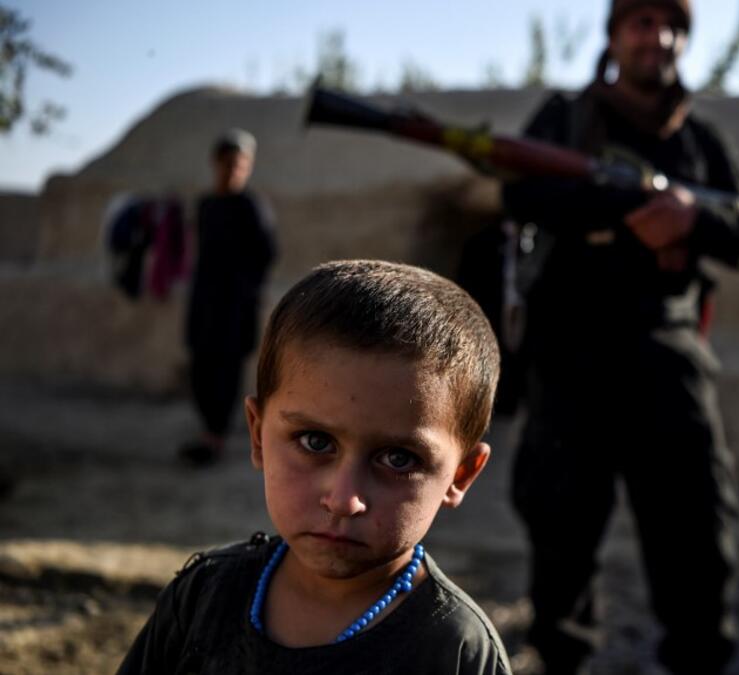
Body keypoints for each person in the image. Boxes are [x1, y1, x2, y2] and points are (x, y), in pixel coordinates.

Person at [501, 1, 739, 672]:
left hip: (665, 350)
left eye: (671, 26)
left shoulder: (698, 140)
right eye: (641, 22)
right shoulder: (565, 119)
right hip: (570, 351)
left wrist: (692, 221)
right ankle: (560, 651)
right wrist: (631, 211)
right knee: (560, 523)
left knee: (696, 527)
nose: (658, 38)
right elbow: (521, 192)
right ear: (614, 37)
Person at [118, 260, 511, 673]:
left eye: (399, 459)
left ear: (461, 474)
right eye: (315, 442)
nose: (344, 500)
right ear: (258, 436)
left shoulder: (457, 653)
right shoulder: (202, 599)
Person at [180, 129, 277, 466]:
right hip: (203, 304)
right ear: (215, 163)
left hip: (234, 309)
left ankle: (214, 439)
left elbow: (265, 256)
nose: (233, 170)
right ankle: (208, 431)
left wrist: (241, 293)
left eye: (240, 164)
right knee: (201, 371)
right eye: (228, 163)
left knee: (225, 373)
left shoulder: (252, 207)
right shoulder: (206, 205)